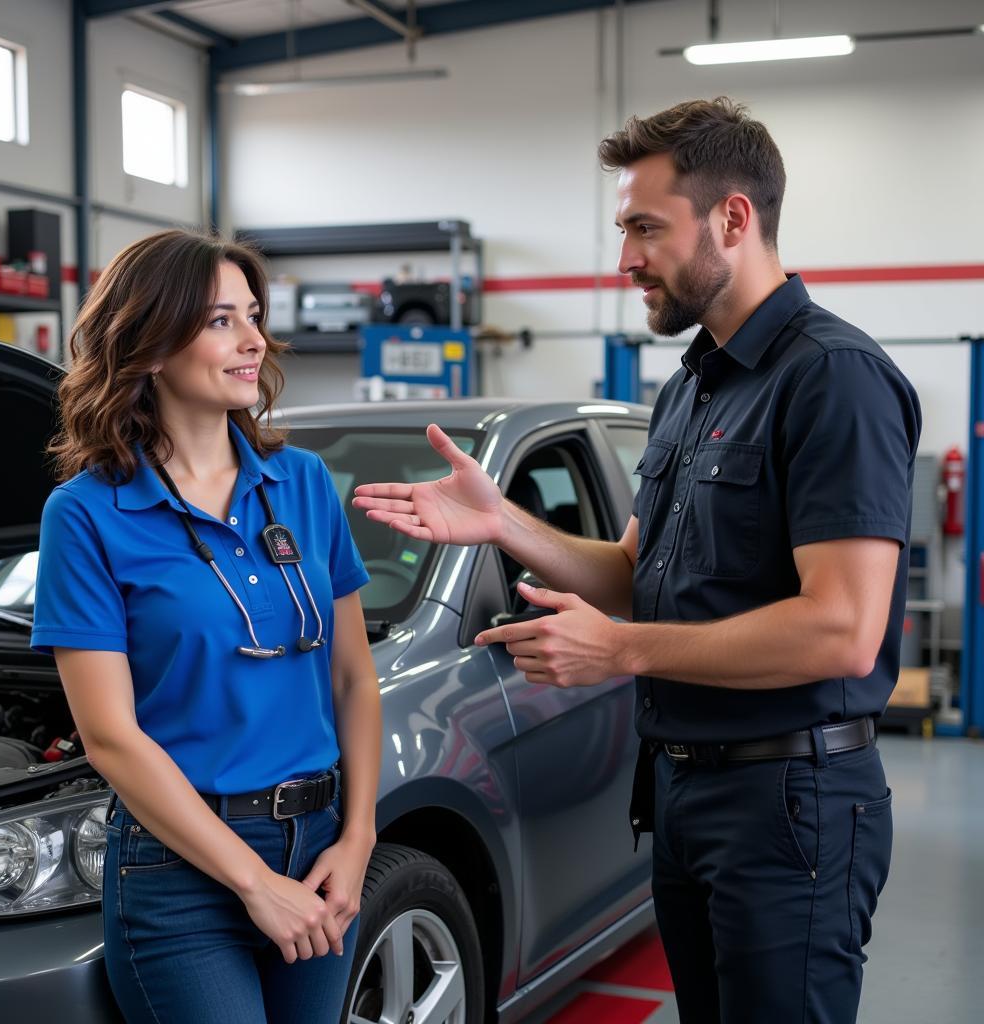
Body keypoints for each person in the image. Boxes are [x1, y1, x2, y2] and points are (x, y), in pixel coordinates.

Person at [353, 97, 921, 1024]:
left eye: (645, 228)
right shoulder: (695, 382)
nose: (625, 260)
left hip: (791, 804)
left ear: (733, 218)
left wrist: (621, 654)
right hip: (686, 793)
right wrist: (504, 523)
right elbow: (634, 571)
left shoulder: (833, 380)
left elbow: (843, 631)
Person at [30, 229, 381, 1024]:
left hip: (319, 844)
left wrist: (357, 837)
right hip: (178, 870)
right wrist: (254, 884)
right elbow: (111, 736)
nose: (255, 339)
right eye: (222, 320)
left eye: (254, 316)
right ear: (151, 344)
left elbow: (354, 677)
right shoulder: (86, 515)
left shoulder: (302, 482)